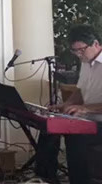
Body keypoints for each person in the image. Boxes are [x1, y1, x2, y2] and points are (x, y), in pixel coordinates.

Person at [39, 25, 102, 183]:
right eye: (75, 51)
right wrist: (66, 105)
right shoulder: (86, 62)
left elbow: (85, 105)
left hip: (99, 121)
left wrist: (85, 108)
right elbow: (80, 90)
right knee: (49, 127)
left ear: (96, 44)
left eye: (81, 50)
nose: (79, 55)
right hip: (89, 118)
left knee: (76, 136)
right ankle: (46, 177)